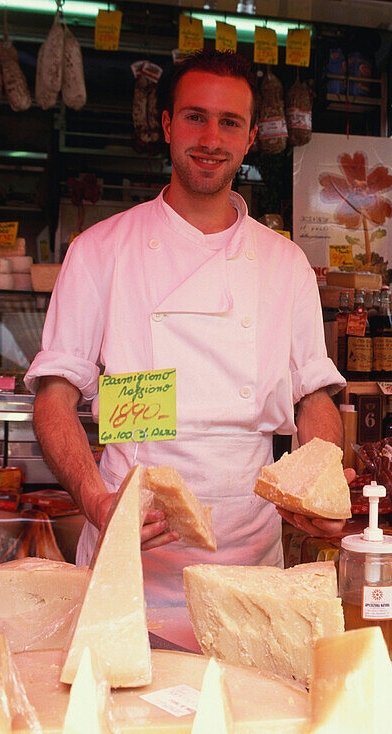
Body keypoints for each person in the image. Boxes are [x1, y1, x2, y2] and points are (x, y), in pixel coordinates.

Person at [25, 50, 346, 606]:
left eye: (230, 123)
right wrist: (97, 502)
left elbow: (313, 397)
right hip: (134, 558)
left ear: (248, 139)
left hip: (249, 559)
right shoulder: (101, 250)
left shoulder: (285, 262)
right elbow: (54, 397)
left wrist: (317, 489)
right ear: (168, 124)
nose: (210, 138)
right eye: (195, 116)